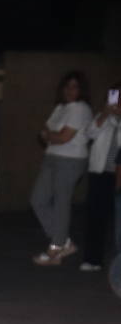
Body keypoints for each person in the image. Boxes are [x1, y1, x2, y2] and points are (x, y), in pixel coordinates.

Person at [31, 71, 93, 266]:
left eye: (74, 86)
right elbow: (44, 133)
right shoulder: (60, 108)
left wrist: (50, 135)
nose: (69, 90)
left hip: (71, 160)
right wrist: (51, 135)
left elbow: (64, 137)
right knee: (38, 199)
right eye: (67, 86)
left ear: (81, 89)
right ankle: (64, 241)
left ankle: (56, 247)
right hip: (52, 157)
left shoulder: (81, 109)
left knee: (61, 202)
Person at [81, 83, 121, 271]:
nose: (117, 102)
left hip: (118, 175)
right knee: (96, 217)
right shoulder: (104, 118)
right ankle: (92, 259)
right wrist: (106, 113)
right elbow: (89, 133)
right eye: (114, 97)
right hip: (100, 174)